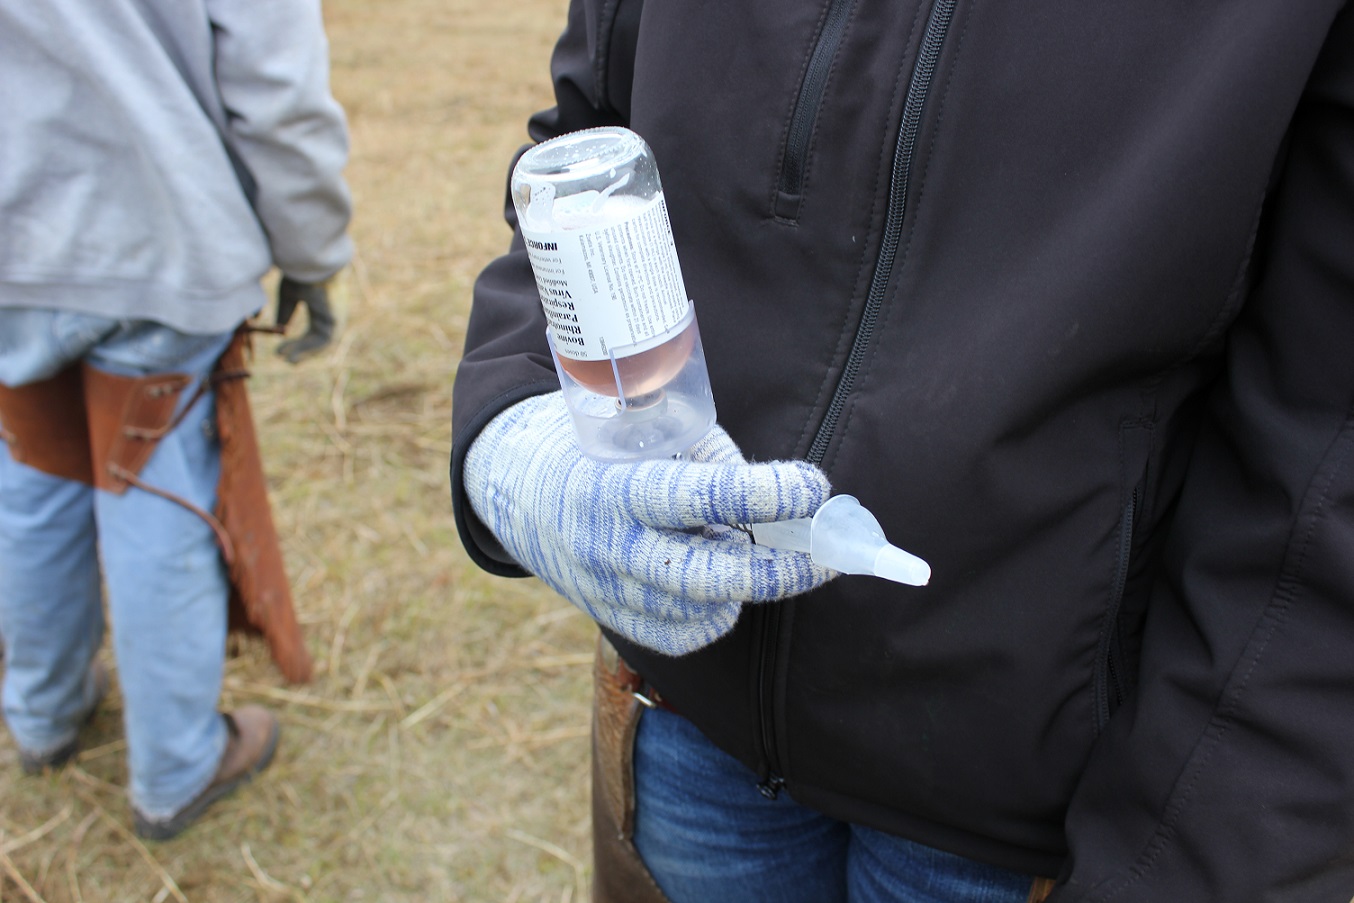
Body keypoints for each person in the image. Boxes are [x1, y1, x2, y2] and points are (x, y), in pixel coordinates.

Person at [452, 1, 1354, 901]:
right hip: (684, 724)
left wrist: (1184, 867)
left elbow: (1323, 476)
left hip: (1036, 816)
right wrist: (521, 416)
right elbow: (590, 139)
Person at [0, 0, 352, 840]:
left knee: (34, 466)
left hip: (15, 228)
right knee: (153, 480)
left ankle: (42, 713)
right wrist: (310, 253)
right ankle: (177, 765)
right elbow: (277, 82)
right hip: (156, 226)